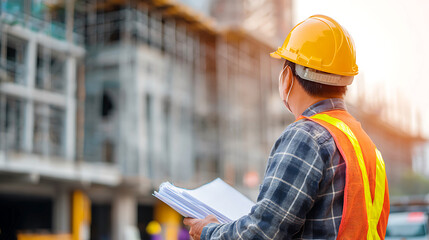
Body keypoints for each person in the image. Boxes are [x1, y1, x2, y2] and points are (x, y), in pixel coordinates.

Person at [184, 15, 390, 240]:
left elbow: (262, 234)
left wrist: (208, 232)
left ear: (289, 75)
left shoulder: (307, 136)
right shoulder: (365, 144)